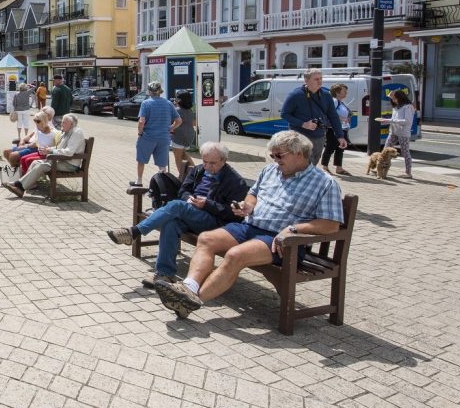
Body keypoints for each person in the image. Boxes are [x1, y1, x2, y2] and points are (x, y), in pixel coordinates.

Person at [155, 130, 344, 319]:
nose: (275, 159)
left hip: (281, 241)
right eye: (272, 155)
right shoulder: (270, 171)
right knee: (206, 239)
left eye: (279, 155)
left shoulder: (324, 183)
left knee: (236, 255)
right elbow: (252, 194)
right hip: (250, 227)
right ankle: (188, 288)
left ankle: (190, 301)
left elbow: (331, 225)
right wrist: (248, 206)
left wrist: (294, 229)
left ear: (299, 153)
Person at [107, 142, 248, 288]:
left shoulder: (235, 182)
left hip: (214, 222)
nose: (207, 166)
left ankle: (135, 232)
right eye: (205, 162)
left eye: (212, 163)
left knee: (177, 206)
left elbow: (233, 215)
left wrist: (206, 204)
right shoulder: (199, 170)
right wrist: (189, 200)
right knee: (171, 223)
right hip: (191, 213)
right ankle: (165, 273)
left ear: (224, 161)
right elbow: (183, 191)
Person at [2, 113, 86, 198]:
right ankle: (20, 185)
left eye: (64, 122)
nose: (61, 124)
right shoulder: (67, 132)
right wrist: (48, 149)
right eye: (62, 122)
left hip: (69, 164)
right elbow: (59, 147)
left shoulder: (76, 132)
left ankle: (19, 187)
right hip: (61, 160)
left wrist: (51, 150)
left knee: (41, 166)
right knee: (35, 162)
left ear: (71, 124)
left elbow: (69, 152)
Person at [280, 68, 346, 166]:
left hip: (320, 137)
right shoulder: (296, 95)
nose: (320, 81)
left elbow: (333, 117)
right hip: (300, 137)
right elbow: (284, 114)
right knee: (304, 166)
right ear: (306, 80)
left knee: (312, 166)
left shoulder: (326, 95)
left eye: (320, 78)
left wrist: (340, 136)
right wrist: (303, 124)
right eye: (316, 79)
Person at [136, 81, 180, 185]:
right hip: (164, 137)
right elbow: (179, 120)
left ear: (149, 92)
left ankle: (139, 181)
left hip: (148, 137)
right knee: (162, 164)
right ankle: (162, 185)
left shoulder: (146, 103)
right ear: (160, 92)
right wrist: (170, 128)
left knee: (141, 160)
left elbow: (141, 121)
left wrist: (140, 133)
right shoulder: (168, 103)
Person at [378, 88, 415, 178]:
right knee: (385, 149)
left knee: (405, 152)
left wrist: (390, 120)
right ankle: (381, 168)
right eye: (392, 98)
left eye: (394, 98)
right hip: (394, 131)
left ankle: (408, 172)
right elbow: (394, 119)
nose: (393, 100)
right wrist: (387, 121)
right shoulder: (396, 107)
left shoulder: (408, 107)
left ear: (400, 97)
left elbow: (407, 121)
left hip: (403, 132)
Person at [321, 83, 352, 176]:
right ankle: (325, 167)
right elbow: (329, 114)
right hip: (333, 128)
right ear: (337, 92)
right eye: (344, 91)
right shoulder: (334, 101)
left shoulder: (341, 102)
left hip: (343, 128)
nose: (346, 93)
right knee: (330, 147)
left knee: (341, 148)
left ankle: (339, 167)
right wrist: (342, 119)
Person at [171, 91, 198, 180]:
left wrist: (170, 128)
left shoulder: (177, 110)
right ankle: (196, 173)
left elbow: (178, 122)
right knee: (184, 154)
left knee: (178, 158)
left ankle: (182, 177)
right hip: (190, 135)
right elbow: (194, 123)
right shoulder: (190, 110)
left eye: (176, 98)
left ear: (179, 100)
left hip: (179, 136)